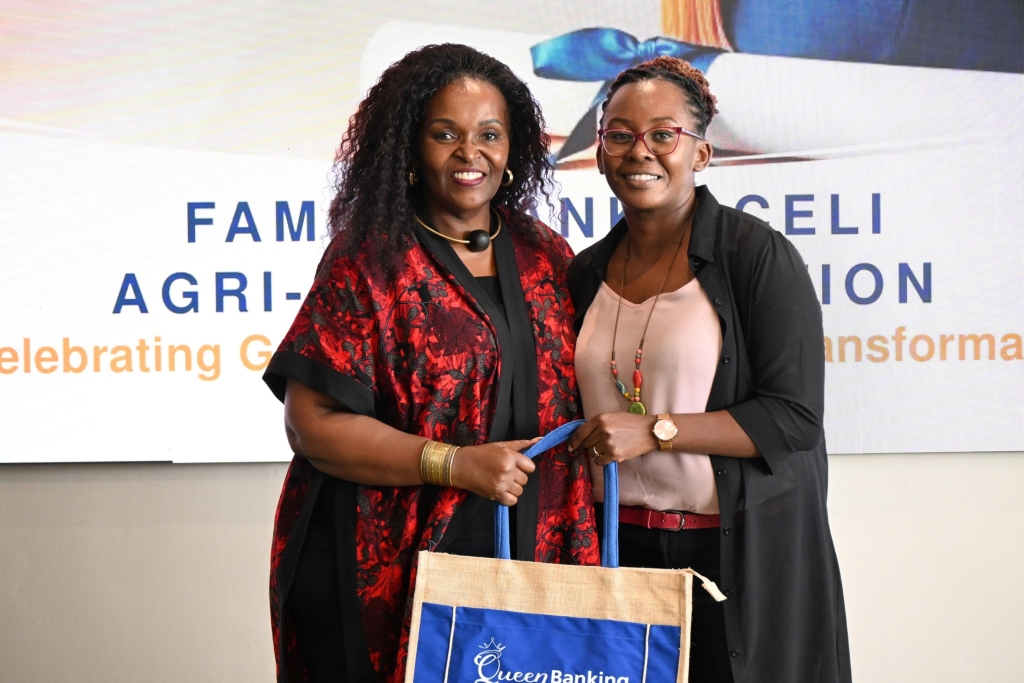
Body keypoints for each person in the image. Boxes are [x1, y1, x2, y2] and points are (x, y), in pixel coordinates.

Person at [262, 44, 598, 683]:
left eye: (489, 135)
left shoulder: (546, 252)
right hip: (388, 567)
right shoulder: (368, 260)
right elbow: (313, 425)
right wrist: (458, 464)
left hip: (532, 559)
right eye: (446, 134)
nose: (471, 154)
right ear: (409, 147)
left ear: (514, 145)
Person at [567, 56, 851, 683]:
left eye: (663, 134)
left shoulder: (757, 255)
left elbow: (794, 417)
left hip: (734, 554)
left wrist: (656, 430)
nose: (640, 151)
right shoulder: (583, 272)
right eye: (619, 134)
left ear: (700, 153)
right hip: (616, 553)